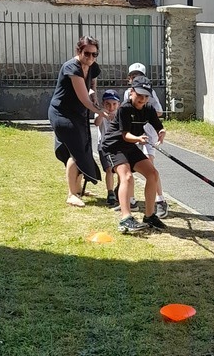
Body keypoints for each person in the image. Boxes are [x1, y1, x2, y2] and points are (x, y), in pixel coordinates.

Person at [48, 37, 101, 206]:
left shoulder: (92, 66)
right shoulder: (71, 67)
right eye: (87, 53)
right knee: (75, 151)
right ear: (78, 51)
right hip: (62, 114)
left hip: (78, 114)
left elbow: (91, 84)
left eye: (94, 54)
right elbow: (84, 99)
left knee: (82, 149)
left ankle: (77, 189)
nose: (91, 58)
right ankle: (71, 194)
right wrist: (101, 112)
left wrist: (94, 94)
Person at [109, 80, 167, 234]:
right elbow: (125, 135)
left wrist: (161, 132)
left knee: (153, 174)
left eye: (146, 96)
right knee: (127, 177)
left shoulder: (148, 109)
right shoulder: (124, 109)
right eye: (140, 95)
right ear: (132, 92)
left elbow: (158, 126)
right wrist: (139, 139)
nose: (143, 99)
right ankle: (125, 219)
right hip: (115, 145)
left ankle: (149, 216)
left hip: (131, 145)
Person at [123, 65, 168, 218]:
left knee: (149, 164)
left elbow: (159, 111)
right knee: (127, 165)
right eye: (132, 76)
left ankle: (160, 200)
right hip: (132, 131)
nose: (135, 78)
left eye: (138, 75)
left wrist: (150, 118)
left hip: (149, 130)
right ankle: (131, 200)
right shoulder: (128, 93)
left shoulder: (150, 92)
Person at [95, 90, 122, 209]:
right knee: (109, 169)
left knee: (121, 169)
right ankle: (110, 192)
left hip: (118, 146)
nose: (111, 107)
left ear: (118, 104)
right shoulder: (100, 113)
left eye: (114, 104)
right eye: (108, 104)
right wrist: (102, 114)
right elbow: (97, 123)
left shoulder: (120, 114)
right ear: (103, 104)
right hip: (104, 146)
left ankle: (119, 188)